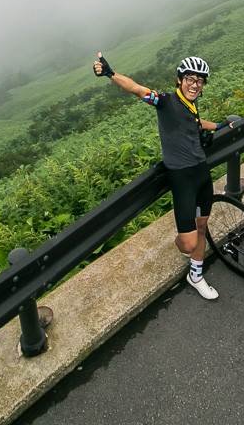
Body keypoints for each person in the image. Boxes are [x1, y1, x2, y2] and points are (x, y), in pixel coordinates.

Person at [93, 52, 235, 300]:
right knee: (189, 244)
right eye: (190, 79)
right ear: (180, 80)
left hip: (202, 172)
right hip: (181, 178)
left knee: (202, 227)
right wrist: (110, 74)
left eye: (199, 81)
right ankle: (184, 247)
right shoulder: (165, 101)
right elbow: (137, 90)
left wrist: (222, 126)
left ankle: (196, 275)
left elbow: (196, 122)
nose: (195, 84)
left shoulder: (192, 104)